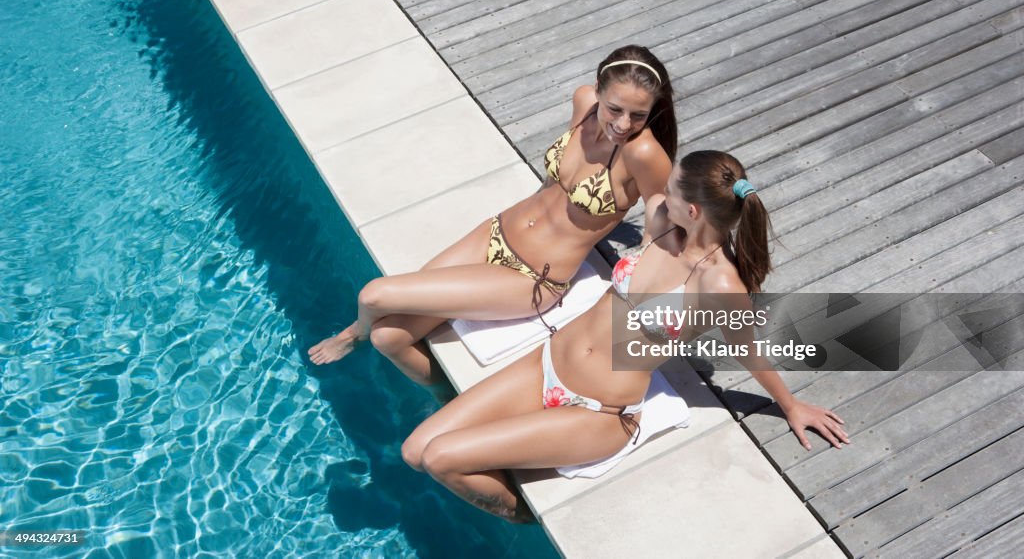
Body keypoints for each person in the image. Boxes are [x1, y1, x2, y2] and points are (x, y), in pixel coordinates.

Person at [400, 151, 850, 521]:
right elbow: (635, 158)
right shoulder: (662, 225)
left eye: (672, 190)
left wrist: (789, 406)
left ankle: (521, 518)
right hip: (548, 362)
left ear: (693, 211)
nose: (662, 194)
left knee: (442, 459)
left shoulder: (720, 285)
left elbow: (746, 350)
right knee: (415, 451)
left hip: (598, 411)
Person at [308, 46, 679, 385]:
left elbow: (659, 208)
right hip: (496, 231)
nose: (623, 124)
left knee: (375, 296)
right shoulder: (583, 102)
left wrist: (644, 251)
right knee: (389, 337)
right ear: (598, 90)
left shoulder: (642, 153)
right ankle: (442, 395)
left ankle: (350, 336)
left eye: (638, 115)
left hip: (532, 277)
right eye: (615, 108)